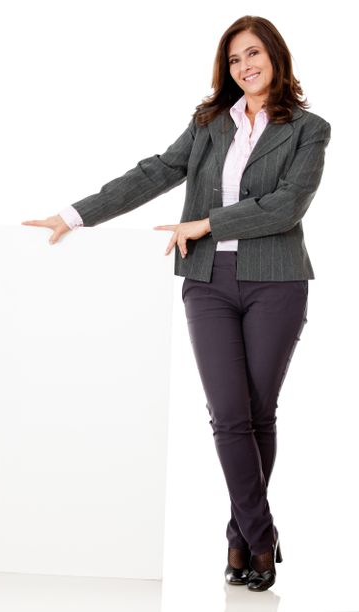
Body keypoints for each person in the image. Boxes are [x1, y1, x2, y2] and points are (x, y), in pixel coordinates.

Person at [22, 15, 331, 592]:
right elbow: (158, 171)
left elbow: (288, 206)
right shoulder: (210, 123)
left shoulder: (310, 129)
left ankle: (240, 536)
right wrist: (74, 214)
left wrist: (206, 221)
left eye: (254, 54)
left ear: (276, 58)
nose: (245, 67)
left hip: (278, 281)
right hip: (208, 281)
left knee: (258, 415)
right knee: (229, 416)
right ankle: (261, 537)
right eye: (234, 59)